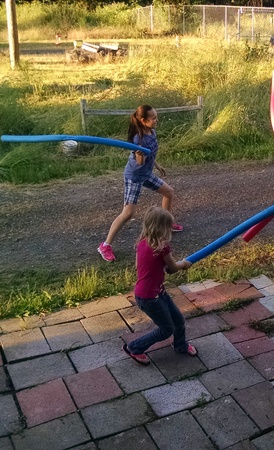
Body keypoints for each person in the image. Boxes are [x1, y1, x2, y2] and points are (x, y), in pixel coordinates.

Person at [98, 105, 182, 262]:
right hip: (135, 175)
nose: (157, 120)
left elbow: (152, 152)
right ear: (143, 120)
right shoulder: (139, 140)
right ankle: (105, 245)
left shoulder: (151, 132)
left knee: (168, 192)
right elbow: (140, 162)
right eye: (154, 118)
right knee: (128, 213)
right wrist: (139, 155)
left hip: (147, 173)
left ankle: (166, 225)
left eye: (156, 117)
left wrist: (157, 165)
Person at [122, 206, 197, 364]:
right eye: (168, 227)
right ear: (161, 228)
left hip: (154, 293)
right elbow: (174, 268)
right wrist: (184, 263)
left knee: (178, 320)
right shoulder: (162, 248)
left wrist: (158, 267)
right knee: (166, 329)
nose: (170, 230)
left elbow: (139, 266)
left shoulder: (142, 243)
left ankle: (180, 345)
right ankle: (134, 348)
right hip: (150, 298)